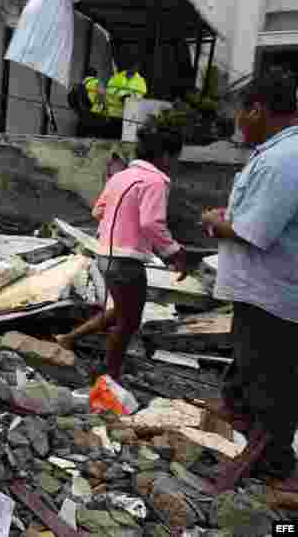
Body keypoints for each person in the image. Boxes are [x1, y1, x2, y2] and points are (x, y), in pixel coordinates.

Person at [202, 72, 298, 481]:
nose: (238, 123)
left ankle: (271, 467)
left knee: (269, 386)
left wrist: (214, 221)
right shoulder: (278, 153)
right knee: (253, 374)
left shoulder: (284, 159)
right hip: (264, 291)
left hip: (271, 294)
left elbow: (253, 233)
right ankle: (251, 445)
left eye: (240, 113)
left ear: (257, 109)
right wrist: (231, 220)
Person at [55, 125, 188, 380]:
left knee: (121, 311)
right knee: (129, 322)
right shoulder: (156, 181)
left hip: (105, 256)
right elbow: (151, 223)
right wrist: (174, 252)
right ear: (166, 156)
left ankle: (67, 338)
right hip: (126, 261)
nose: (175, 164)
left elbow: (98, 211)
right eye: (176, 158)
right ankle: (111, 375)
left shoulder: (121, 176)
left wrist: (121, 221)